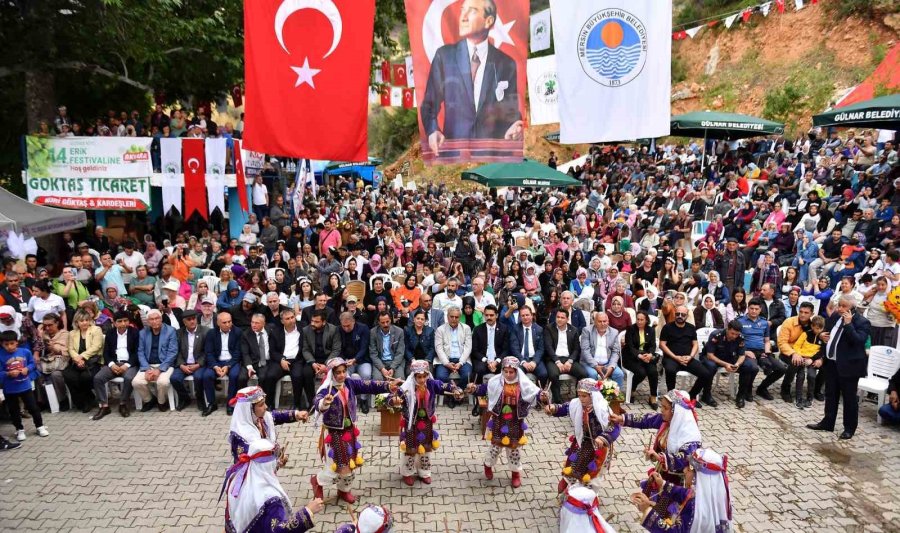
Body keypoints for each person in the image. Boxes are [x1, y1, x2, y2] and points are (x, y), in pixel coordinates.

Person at [420, 0, 523, 158]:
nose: (463, 17)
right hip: (453, 154)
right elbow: (429, 105)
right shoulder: (444, 56)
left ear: (488, 21)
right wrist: (433, 130)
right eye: (463, 10)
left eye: (472, 11)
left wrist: (514, 126)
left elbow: (511, 110)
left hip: (491, 156)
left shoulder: (505, 63)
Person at [309, 357, 399, 505]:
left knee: (350, 464)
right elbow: (317, 401)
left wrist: (388, 386)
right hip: (333, 433)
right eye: (338, 372)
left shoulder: (350, 384)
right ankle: (317, 481)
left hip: (349, 431)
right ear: (332, 373)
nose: (342, 375)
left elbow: (369, 385)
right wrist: (324, 402)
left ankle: (344, 490)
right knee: (335, 468)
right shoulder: (327, 389)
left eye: (344, 371)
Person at [465, 356, 542, 488]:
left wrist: (543, 395)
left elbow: (535, 393)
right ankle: (488, 466)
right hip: (498, 419)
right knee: (495, 447)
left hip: (515, 421)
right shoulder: (496, 381)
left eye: (511, 372)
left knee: (514, 450)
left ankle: (515, 473)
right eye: (505, 371)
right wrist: (474, 388)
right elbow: (484, 389)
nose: (508, 374)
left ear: (516, 371)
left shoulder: (523, 383)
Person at [222, 439, 323, 533]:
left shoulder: (238, 476)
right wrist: (307, 512)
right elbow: (277, 530)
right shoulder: (270, 499)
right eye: (274, 461)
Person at [807, 294, 871, 440]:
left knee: (849, 398)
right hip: (832, 364)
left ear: (852, 308)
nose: (840, 308)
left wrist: (848, 325)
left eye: (844, 306)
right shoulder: (835, 316)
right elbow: (827, 332)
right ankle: (828, 422)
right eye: (839, 305)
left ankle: (849, 428)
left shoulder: (862, 322)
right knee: (831, 394)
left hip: (849, 366)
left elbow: (858, 341)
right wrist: (822, 336)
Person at [611, 390, 702, 487]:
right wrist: (622, 418)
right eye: (661, 406)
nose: (661, 410)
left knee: (660, 502)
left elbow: (686, 458)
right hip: (663, 475)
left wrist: (660, 457)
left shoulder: (690, 436)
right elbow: (647, 419)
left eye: (665, 408)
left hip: (680, 485)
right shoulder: (668, 421)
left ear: (676, 412)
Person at [393, 360, 463, 485]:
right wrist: (395, 400)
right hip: (411, 423)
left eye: (424, 376)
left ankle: (424, 473)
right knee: (410, 448)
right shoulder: (406, 387)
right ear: (414, 376)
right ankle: (407, 473)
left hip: (427, 422)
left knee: (426, 448)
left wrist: (455, 389)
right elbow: (391, 398)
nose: (422, 379)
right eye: (419, 377)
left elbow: (444, 386)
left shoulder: (431, 384)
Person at [544, 378, 620, 493]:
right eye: (579, 395)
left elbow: (615, 426)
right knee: (575, 464)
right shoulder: (576, 404)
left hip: (599, 446)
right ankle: (570, 486)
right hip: (582, 441)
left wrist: (603, 438)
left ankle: (589, 498)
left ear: (592, 395)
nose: (581, 399)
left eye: (584, 396)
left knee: (593, 473)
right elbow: (565, 408)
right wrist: (554, 408)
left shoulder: (603, 409)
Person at [227, 385, 308, 465]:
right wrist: (276, 462)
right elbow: (253, 465)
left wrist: (296, 414)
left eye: (264, 403)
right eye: (261, 405)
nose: (266, 407)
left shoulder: (260, 418)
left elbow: (276, 416)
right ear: (249, 409)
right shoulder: (240, 436)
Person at [0, 330, 49, 441]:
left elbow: (32, 364)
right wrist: (8, 373)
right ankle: (19, 429)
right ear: (2, 344)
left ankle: (39, 426)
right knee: (14, 410)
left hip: (25, 386)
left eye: (12, 343)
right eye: (6, 344)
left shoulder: (25, 352)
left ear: (17, 342)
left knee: (33, 408)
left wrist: (27, 369)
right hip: (9, 389)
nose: (9, 346)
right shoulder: (0, 355)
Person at [659, 306, 712, 405]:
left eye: (683, 315)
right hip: (671, 358)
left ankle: (691, 396)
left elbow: (695, 344)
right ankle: (672, 397)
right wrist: (675, 357)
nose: (680, 316)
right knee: (670, 370)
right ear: (675, 314)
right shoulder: (667, 327)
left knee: (706, 374)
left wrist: (691, 356)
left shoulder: (691, 327)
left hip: (688, 359)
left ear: (686, 316)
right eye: (677, 314)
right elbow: (662, 345)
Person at [701, 320, 760, 409]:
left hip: (729, 357)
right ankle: (706, 395)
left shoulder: (740, 337)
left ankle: (741, 396)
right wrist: (725, 365)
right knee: (711, 367)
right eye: (732, 333)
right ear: (727, 329)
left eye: (736, 334)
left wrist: (737, 364)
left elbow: (742, 355)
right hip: (712, 358)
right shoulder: (716, 335)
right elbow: (710, 355)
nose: (734, 336)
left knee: (748, 366)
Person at [92, 311, 140, 419]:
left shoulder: (135, 332)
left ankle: (123, 404)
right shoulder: (110, 333)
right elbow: (106, 352)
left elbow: (137, 352)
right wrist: (112, 364)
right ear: (114, 323)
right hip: (114, 363)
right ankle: (104, 406)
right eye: (120, 321)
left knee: (129, 378)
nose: (123, 324)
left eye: (125, 321)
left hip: (129, 364)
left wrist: (126, 365)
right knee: (98, 378)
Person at [738, 298, 786, 403]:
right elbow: (735, 341)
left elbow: (767, 340)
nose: (754, 311)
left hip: (762, 351)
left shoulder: (764, 323)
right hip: (747, 351)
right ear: (748, 308)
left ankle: (762, 388)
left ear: (760, 310)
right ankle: (747, 389)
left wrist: (767, 351)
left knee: (781, 369)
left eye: (756, 309)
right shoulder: (740, 321)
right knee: (753, 367)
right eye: (751, 308)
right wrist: (744, 351)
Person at [133, 309, 178, 412]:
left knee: (163, 382)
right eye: (151, 319)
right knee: (136, 382)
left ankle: (161, 401)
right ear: (148, 322)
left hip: (165, 365)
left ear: (161, 319)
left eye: (157, 318)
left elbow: (172, 353)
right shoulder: (143, 333)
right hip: (148, 365)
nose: (154, 321)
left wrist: (159, 369)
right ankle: (149, 400)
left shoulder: (170, 331)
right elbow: (140, 352)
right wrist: (147, 368)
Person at [203, 311, 244, 416]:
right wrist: (215, 366)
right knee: (207, 375)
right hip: (217, 361)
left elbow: (238, 353)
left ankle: (230, 404)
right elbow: (209, 352)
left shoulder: (238, 332)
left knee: (234, 375)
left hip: (232, 361)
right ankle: (212, 403)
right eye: (224, 322)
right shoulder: (211, 333)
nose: (227, 324)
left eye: (229, 322)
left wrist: (228, 365)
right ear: (218, 323)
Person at [64, 309, 104, 413]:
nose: (85, 322)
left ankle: (88, 401)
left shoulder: (96, 330)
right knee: (69, 375)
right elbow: (70, 349)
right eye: (81, 321)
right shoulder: (72, 333)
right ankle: (83, 400)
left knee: (85, 377)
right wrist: (77, 359)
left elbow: (96, 347)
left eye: (87, 320)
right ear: (76, 322)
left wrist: (81, 356)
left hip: (93, 361)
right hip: (77, 361)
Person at [170, 309, 210, 411]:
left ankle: (200, 399)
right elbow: (176, 351)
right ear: (184, 322)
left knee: (199, 377)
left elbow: (207, 351)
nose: (192, 321)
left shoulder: (205, 331)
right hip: (184, 363)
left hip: (199, 364)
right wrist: (181, 365)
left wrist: (198, 364)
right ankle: (184, 398)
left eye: (194, 319)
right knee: (174, 378)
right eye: (189, 319)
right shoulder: (179, 333)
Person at [544, 308, 587, 403]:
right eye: (558, 317)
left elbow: (576, 349)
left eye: (562, 318)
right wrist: (557, 362)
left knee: (583, 374)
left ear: (567, 319)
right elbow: (548, 347)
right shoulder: (549, 328)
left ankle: (578, 399)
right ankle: (558, 401)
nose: (559, 319)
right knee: (553, 374)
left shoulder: (574, 330)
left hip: (568, 359)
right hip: (553, 359)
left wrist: (570, 361)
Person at [301, 308, 343, 407]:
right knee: (306, 373)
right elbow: (305, 349)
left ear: (324, 322)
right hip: (313, 359)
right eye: (312, 321)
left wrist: (326, 365)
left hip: (329, 359)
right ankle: (313, 402)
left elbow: (336, 349)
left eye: (316, 322)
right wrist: (313, 363)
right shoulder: (306, 330)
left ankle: (335, 401)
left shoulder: (333, 329)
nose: (313, 323)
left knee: (337, 371)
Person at [433, 306, 472, 406]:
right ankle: (451, 395)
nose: (454, 319)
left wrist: (460, 363)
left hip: (462, 359)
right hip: (445, 359)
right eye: (452, 316)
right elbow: (439, 348)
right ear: (447, 316)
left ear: (460, 317)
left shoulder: (466, 328)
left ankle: (458, 394)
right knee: (440, 376)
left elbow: (468, 347)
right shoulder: (440, 330)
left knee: (467, 375)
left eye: (456, 317)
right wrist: (446, 363)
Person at [241, 314, 282, 408]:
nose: (253, 325)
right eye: (252, 322)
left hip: (267, 361)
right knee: (241, 378)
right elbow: (245, 353)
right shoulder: (246, 334)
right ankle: (243, 404)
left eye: (257, 323)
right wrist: (249, 367)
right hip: (252, 362)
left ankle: (265, 403)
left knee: (265, 377)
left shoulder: (271, 330)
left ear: (263, 323)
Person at [268, 308, 306, 410]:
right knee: (270, 376)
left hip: (297, 359)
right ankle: (269, 404)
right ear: (282, 321)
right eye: (287, 318)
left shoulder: (303, 328)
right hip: (281, 360)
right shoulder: (275, 332)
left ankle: (297, 404)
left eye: (292, 317)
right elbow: (272, 351)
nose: (291, 320)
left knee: (298, 376)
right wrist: (281, 359)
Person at [787, 315, 825, 410]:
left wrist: (812, 359)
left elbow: (822, 351)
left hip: (813, 360)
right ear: (812, 326)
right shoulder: (806, 334)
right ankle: (798, 398)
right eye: (816, 328)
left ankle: (810, 398)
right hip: (802, 359)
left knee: (811, 376)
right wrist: (800, 356)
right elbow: (797, 346)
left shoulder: (824, 337)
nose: (818, 330)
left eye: (821, 328)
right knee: (800, 376)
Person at [623, 311, 659, 409]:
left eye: (642, 320)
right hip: (631, 357)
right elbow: (630, 347)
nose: (639, 322)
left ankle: (653, 396)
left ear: (646, 320)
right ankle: (632, 389)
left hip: (646, 356)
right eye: (638, 319)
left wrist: (650, 354)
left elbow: (652, 345)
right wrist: (639, 356)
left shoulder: (651, 330)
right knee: (641, 372)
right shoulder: (631, 329)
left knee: (653, 371)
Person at [578, 311, 625, 388]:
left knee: (619, 374)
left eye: (604, 321)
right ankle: (592, 397)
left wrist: (612, 366)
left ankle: (615, 398)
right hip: (590, 364)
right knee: (592, 374)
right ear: (595, 322)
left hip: (607, 363)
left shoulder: (614, 332)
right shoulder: (587, 331)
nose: (603, 324)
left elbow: (615, 352)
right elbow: (585, 351)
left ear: (608, 321)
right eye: (600, 321)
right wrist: (595, 365)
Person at [471, 304, 509, 386]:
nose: (489, 317)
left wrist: (497, 361)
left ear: (497, 315)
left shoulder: (504, 329)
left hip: (498, 359)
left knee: (507, 368)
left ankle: (503, 393)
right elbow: (474, 350)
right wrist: (486, 361)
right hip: (483, 359)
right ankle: (479, 393)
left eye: (491, 315)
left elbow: (506, 349)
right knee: (479, 369)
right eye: (486, 315)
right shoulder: (477, 329)